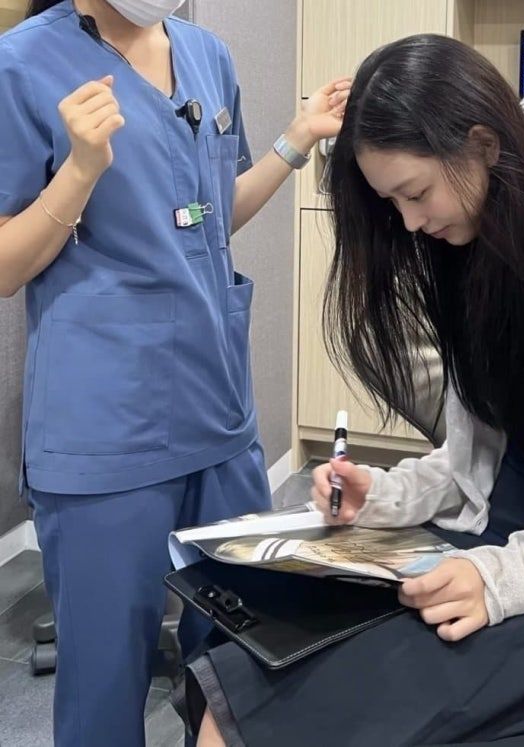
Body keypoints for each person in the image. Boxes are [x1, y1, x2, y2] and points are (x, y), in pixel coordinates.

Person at [186, 34, 524, 747]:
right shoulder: (480, 247)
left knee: (254, 717)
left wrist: (503, 577)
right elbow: (477, 464)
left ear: (483, 145)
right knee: (242, 645)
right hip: (476, 550)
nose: (409, 223)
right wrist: (380, 495)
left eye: (415, 193)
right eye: (390, 202)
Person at [0, 1, 348, 745]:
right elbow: (5, 267)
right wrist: (79, 171)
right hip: (106, 428)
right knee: (104, 685)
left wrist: (296, 139)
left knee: (238, 666)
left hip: (218, 413)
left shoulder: (207, 55)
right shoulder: (21, 64)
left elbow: (208, 216)